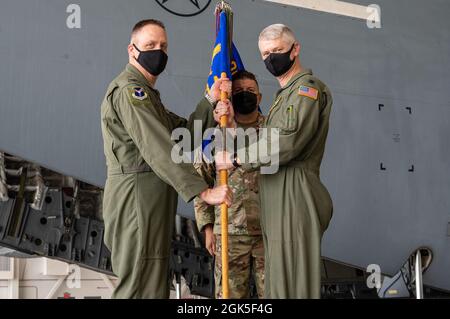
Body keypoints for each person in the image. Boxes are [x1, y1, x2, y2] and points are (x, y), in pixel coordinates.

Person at [100, 19, 232, 299]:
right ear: (131, 50)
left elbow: (182, 136)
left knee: (152, 285)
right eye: (150, 46)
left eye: (163, 46)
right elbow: (157, 146)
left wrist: (209, 100)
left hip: (151, 201)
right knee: (139, 286)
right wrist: (203, 191)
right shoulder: (129, 92)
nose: (157, 51)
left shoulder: (146, 95)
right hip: (137, 201)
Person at [215, 24, 333, 299]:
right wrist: (231, 124)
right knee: (280, 285)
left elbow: (286, 141)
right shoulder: (286, 96)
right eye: (265, 54)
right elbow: (264, 143)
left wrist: (235, 158)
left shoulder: (306, 91)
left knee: (294, 283)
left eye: (278, 51)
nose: (271, 58)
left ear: (295, 49)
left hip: (293, 191)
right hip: (277, 192)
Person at [194, 71, 265, 299]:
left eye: (251, 91)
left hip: (268, 232)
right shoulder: (215, 135)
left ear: (260, 97)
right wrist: (207, 228)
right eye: (239, 91)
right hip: (230, 232)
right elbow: (200, 183)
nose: (245, 94)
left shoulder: (271, 131)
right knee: (230, 297)